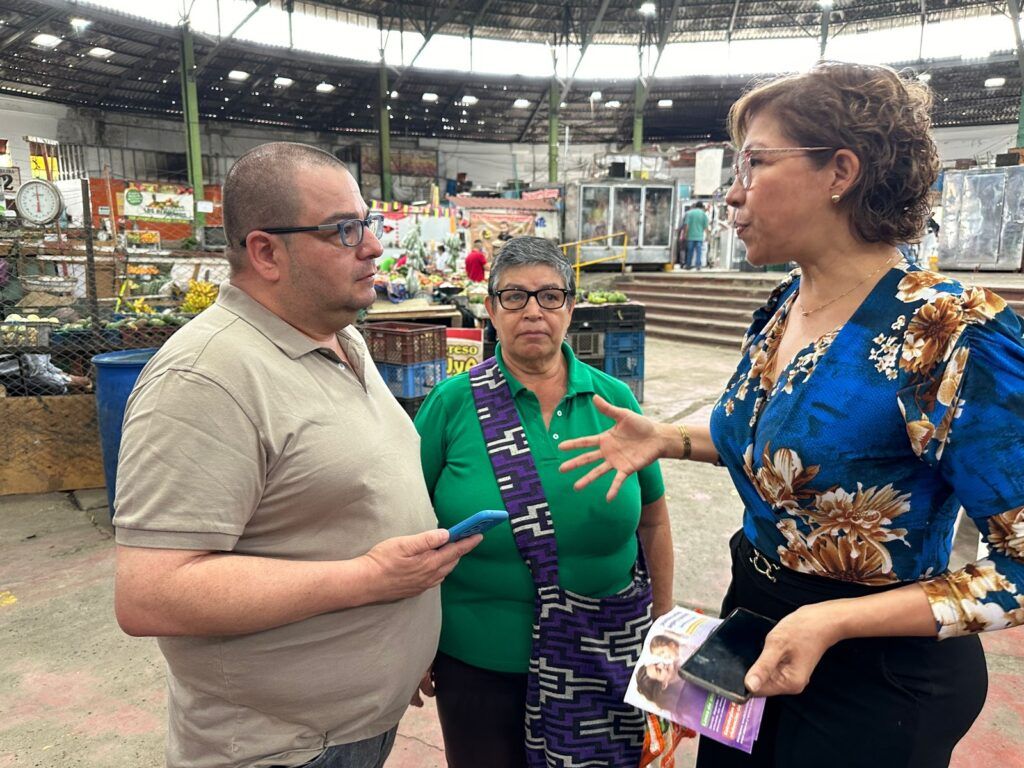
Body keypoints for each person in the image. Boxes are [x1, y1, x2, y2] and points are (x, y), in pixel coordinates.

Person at [560, 62, 1024, 768]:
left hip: (877, 672)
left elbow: (1018, 574)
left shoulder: (952, 332)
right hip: (758, 627)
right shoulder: (783, 307)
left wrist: (833, 621)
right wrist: (671, 439)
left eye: (754, 163)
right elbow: (792, 451)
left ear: (840, 171)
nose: (731, 196)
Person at [112, 142, 480, 768]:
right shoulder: (207, 378)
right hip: (281, 748)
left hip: (353, 725)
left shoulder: (341, 340)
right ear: (265, 252)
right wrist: (371, 581)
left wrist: (402, 642)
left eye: (369, 224)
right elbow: (152, 593)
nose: (372, 247)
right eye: (343, 231)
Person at [411, 236, 673, 768]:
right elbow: (406, 522)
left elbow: (653, 520)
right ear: (490, 309)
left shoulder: (613, 401)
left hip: (605, 654)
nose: (533, 310)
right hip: (478, 660)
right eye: (514, 297)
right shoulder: (453, 403)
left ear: (570, 308)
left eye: (550, 296)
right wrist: (408, 642)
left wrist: (663, 631)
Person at [635, 634, 686, 711]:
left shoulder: (680, 656)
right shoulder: (684, 699)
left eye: (656, 664)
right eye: (659, 670)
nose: (661, 664)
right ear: (663, 685)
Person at [682, 201, 710, 269]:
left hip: (690, 236)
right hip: (699, 237)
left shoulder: (689, 213)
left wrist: (685, 234)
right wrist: (708, 236)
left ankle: (688, 265)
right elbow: (706, 227)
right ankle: (698, 265)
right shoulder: (703, 214)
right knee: (699, 252)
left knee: (690, 251)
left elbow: (687, 225)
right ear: (701, 207)